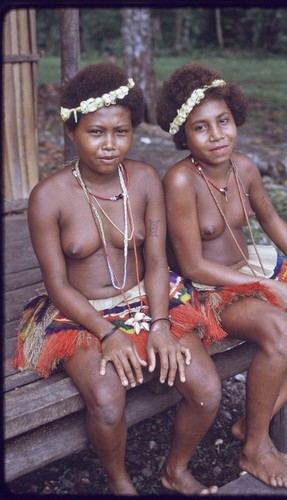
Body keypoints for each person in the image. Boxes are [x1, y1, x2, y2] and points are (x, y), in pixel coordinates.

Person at [13, 63, 222, 496]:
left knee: (207, 389)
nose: (110, 146)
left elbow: (157, 260)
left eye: (121, 132)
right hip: (82, 313)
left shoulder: (145, 179)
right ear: (72, 131)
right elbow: (57, 284)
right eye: (96, 133)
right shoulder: (48, 197)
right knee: (108, 402)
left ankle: (175, 470)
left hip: (149, 300)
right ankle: (120, 482)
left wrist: (161, 324)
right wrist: (107, 333)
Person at [156, 62, 287, 489]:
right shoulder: (181, 181)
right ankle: (256, 445)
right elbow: (194, 265)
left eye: (224, 121)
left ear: (235, 118)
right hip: (208, 289)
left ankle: (258, 416)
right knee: (278, 328)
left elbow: (271, 220)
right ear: (184, 136)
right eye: (202, 128)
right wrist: (269, 287)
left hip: (254, 268)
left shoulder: (245, 167)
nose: (217, 135)